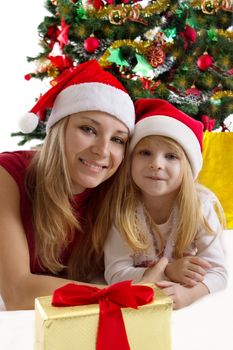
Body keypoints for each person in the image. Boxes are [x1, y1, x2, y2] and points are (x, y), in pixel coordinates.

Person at [0, 60, 135, 310]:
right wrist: (120, 295)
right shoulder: (7, 175)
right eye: (88, 129)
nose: (102, 150)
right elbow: (17, 293)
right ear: (58, 129)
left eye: (117, 139)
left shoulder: (116, 192)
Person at [103, 98, 227, 309]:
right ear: (130, 160)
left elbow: (218, 272)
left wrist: (190, 294)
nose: (156, 164)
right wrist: (169, 270)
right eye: (145, 153)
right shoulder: (123, 208)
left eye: (171, 156)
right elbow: (115, 273)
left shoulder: (200, 206)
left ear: (187, 168)